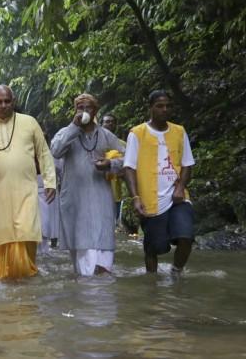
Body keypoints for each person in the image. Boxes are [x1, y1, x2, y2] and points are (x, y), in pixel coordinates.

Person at [0, 85, 56, 280]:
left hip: (26, 191)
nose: (4, 105)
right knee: (0, 239)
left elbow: (44, 152)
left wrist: (50, 182)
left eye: (8, 101)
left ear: (13, 101)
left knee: (26, 233)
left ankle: (26, 283)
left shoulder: (29, 122)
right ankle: (2, 284)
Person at [51, 94, 125, 276]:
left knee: (103, 251)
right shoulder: (66, 133)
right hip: (74, 202)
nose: (84, 112)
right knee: (82, 253)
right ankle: (85, 299)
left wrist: (110, 164)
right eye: (80, 108)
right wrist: (74, 127)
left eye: (88, 108)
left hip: (101, 201)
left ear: (96, 111)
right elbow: (55, 150)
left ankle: (100, 300)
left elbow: (130, 157)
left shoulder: (106, 135)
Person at [123, 90, 195, 274]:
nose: (165, 109)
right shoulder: (137, 134)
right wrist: (135, 198)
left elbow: (187, 164)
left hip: (178, 197)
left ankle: (176, 272)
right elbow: (129, 168)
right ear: (150, 108)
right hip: (150, 200)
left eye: (168, 106)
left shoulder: (179, 131)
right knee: (153, 248)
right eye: (160, 106)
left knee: (186, 237)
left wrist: (180, 188)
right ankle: (152, 285)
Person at [101, 113, 128, 226]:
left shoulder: (122, 145)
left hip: (117, 188)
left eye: (112, 121)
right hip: (99, 187)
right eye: (107, 121)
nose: (110, 123)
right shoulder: (94, 143)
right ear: (101, 124)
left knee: (114, 222)